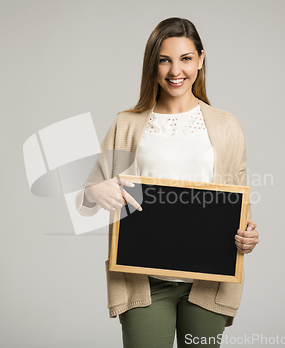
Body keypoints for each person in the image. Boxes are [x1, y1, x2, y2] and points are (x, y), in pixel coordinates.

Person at [75, 17, 259, 348]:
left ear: (201, 59)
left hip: (207, 280)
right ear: (153, 65)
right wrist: (94, 190)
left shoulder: (227, 126)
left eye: (186, 59)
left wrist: (247, 236)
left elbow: (238, 201)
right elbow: (85, 198)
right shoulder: (127, 124)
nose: (176, 70)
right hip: (143, 279)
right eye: (165, 60)